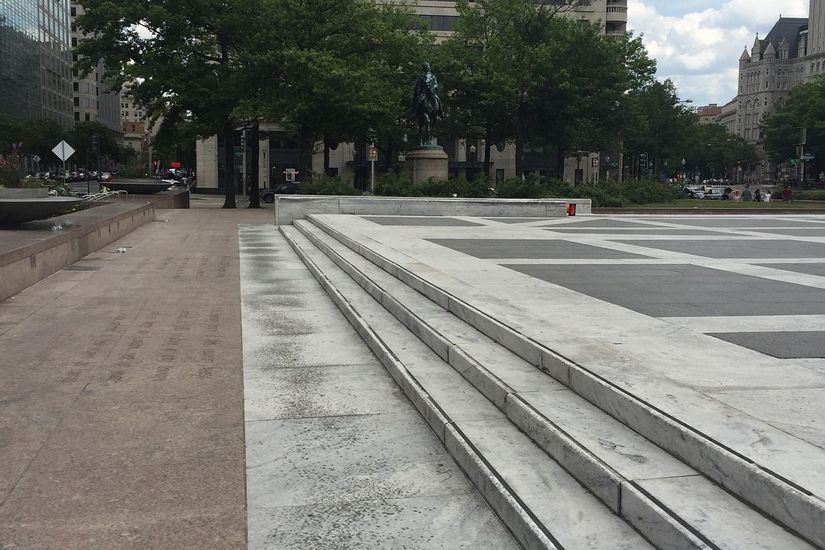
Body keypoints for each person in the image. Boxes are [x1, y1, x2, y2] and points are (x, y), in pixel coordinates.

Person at [411, 61, 444, 146]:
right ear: (424, 68)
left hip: (431, 92)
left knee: (438, 100)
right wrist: (418, 95)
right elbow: (418, 88)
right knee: (420, 101)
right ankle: (415, 112)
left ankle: (441, 112)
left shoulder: (433, 76)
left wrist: (433, 87)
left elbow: (436, 84)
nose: (428, 67)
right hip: (424, 93)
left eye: (429, 66)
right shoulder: (421, 77)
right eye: (427, 66)